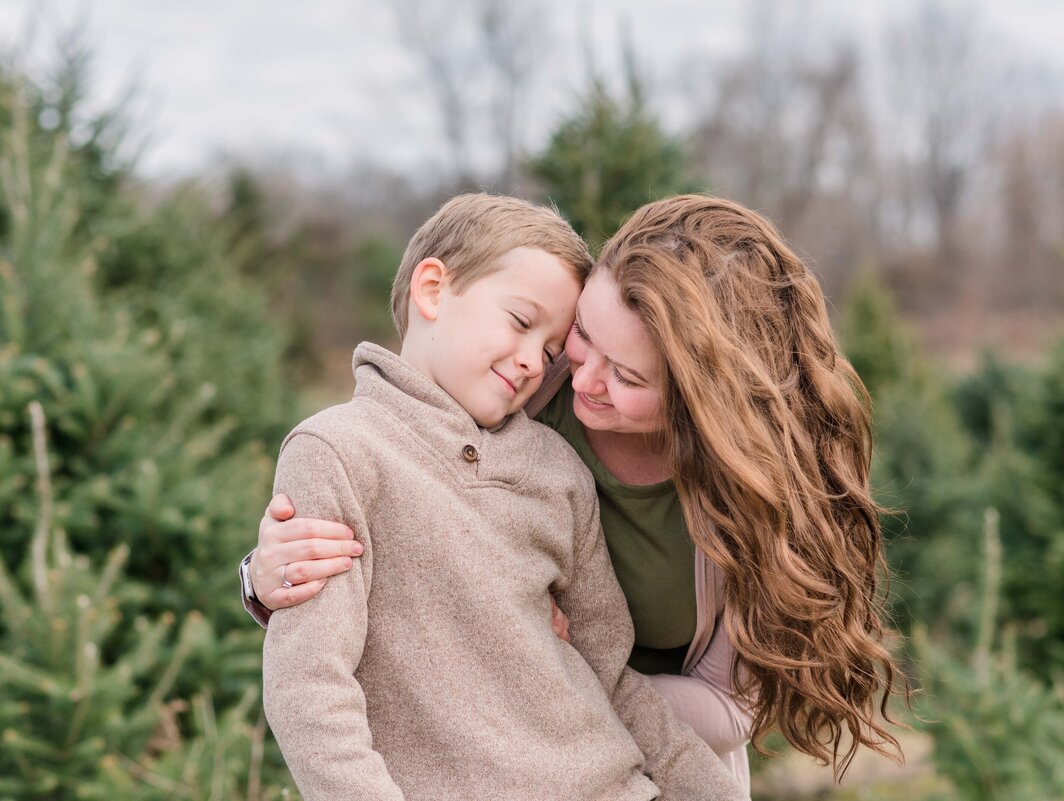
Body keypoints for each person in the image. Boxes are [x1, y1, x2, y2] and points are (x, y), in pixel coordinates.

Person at [245, 195, 905, 792]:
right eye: (583, 337)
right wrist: (264, 578)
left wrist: (543, 660)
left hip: (640, 760)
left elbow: (705, 699)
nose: (570, 371)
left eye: (624, 375)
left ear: (697, 401)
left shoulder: (737, 494)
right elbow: (334, 647)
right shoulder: (512, 388)